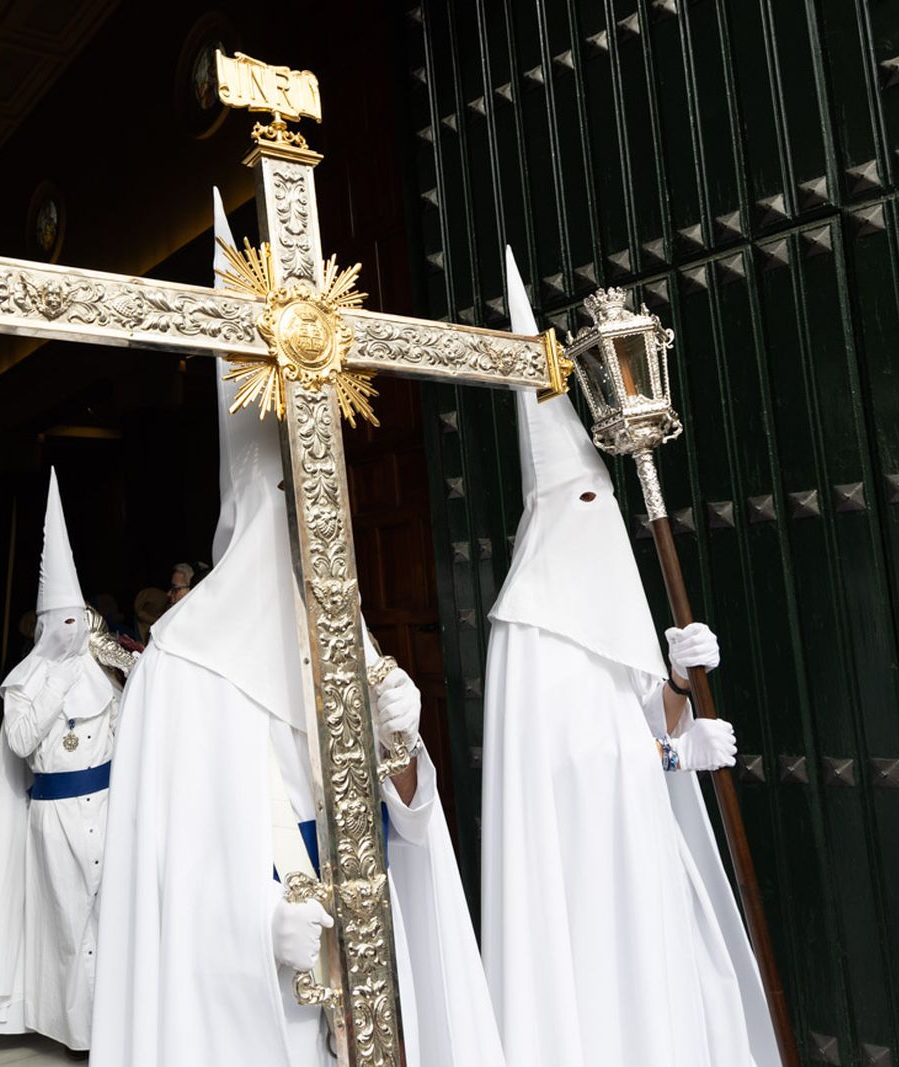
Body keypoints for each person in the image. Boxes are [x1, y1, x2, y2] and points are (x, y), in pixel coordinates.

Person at [89, 191, 503, 1066]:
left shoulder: (348, 632)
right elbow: (158, 879)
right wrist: (252, 928)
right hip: (258, 995)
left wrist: (402, 745)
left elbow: (408, 822)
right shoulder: (180, 663)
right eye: (293, 503)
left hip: (372, 952)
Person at [478, 248, 778, 1066]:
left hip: (645, 853)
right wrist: (676, 756)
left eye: (603, 502)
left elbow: (648, 722)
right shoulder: (527, 627)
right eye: (586, 502)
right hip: (584, 878)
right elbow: (570, 769)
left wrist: (677, 680)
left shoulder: (605, 604)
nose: (600, 518)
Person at [0, 469, 121, 1055]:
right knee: (69, 923)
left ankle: (111, 1020)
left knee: (107, 917)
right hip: (55, 813)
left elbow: (123, 729)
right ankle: (76, 1029)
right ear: (46, 624)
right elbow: (22, 742)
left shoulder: (104, 672)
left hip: (107, 804)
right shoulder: (25, 679)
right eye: (61, 622)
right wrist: (53, 684)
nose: (71, 632)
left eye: (78, 619)